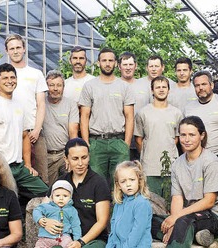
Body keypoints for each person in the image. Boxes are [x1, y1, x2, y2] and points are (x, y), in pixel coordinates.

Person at [152, 116, 218, 248]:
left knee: (183, 222)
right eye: (183, 135)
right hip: (188, 215)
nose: (186, 140)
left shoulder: (211, 162)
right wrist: (172, 224)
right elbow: (177, 199)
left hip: (214, 216)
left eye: (192, 135)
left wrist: (176, 219)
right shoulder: (177, 164)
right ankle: (200, 237)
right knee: (151, 220)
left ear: (202, 135)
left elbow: (209, 201)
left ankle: (183, 237)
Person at [0, 63, 48, 211]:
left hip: (19, 167)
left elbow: (24, 136)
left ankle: (27, 225)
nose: (9, 81)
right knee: (4, 204)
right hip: (2, 167)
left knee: (45, 193)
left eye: (12, 77)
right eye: (5, 78)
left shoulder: (18, 105)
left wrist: (28, 165)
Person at [0, 34, 48, 183]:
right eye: (11, 49)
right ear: (6, 51)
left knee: (39, 176)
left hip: (34, 134)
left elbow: (41, 104)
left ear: (24, 49)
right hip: (10, 135)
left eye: (18, 47)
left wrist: (36, 129)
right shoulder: (1, 74)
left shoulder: (35, 74)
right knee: (8, 178)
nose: (15, 51)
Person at [37, 138, 111, 248]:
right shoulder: (61, 182)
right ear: (66, 159)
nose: (80, 163)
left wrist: (80, 242)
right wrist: (44, 221)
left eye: (84, 157)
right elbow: (42, 207)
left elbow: (102, 221)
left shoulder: (99, 182)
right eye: (75, 159)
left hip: (93, 240)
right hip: (64, 239)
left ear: (89, 156)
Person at [79, 47, 134, 185]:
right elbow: (84, 116)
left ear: (116, 63)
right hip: (96, 142)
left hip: (118, 141)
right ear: (98, 63)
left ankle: (118, 207)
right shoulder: (89, 86)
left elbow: (129, 117)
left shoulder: (124, 87)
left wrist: (126, 144)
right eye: (104, 60)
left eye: (110, 60)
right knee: (97, 183)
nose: (107, 64)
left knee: (121, 182)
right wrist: (87, 144)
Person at [183, 70, 218, 195]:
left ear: (211, 85)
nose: (200, 88)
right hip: (198, 159)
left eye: (204, 84)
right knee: (199, 196)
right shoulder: (189, 108)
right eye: (197, 86)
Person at [134, 76, 183, 196]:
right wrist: (147, 155)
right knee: (152, 204)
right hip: (149, 168)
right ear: (152, 90)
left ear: (169, 90)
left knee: (169, 205)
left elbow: (177, 139)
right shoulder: (143, 113)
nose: (161, 90)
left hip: (170, 168)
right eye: (158, 87)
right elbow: (139, 139)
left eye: (164, 87)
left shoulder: (177, 113)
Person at [43, 70, 79, 184]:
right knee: (49, 189)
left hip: (63, 153)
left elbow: (73, 133)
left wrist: (71, 156)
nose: (55, 88)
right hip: (46, 155)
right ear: (46, 86)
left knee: (70, 184)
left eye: (59, 85)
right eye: (51, 85)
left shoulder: (71, 104)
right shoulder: (40, 104)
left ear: (63, 87)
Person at [106, 161, 152, 248]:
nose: (128, 184)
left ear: (139, 180)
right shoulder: (119, 203)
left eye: (132, 180)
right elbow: (113, 229)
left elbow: (137, 231)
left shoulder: (141, 203)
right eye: (123, 181)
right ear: (118, 185)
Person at [33, 180, 82, 248]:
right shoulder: (47, 206)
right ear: (52, 197)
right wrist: (39, 219)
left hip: (64, 236)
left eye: (65, 196)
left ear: (70, 197)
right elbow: (36, 210)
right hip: (45, 237)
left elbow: (76, 225)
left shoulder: (72, 210)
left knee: (69, 245)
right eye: (57, 195)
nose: (61, 198)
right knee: (39, 245)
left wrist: (77, 240)